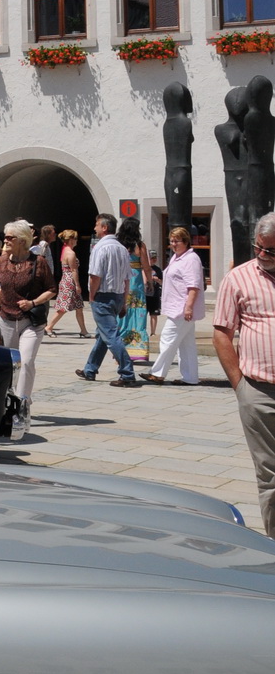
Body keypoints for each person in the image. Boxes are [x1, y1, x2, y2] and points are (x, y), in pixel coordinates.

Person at [214, 212, 275, 536]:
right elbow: (222, 333)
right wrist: (240, 385)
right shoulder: (238, 278)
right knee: (271, 476)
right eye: (259, 248)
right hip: (258, 390)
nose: (263, 256)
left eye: (271, 251)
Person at [0, 221, 56, 419]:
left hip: (30, 321)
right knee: (9, 365)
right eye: (6, 237)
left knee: (26, 361)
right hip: (6, 319)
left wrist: (33, 302)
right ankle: (7, 400)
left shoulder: (38, 262)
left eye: (9, 237)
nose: (5, 240)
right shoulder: (2, 261)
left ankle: (22, 403)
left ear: (22, 240)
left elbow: (51, 289)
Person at [76, 213, 139, 386]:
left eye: (96, 225)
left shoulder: (100, 248)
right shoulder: (121, 248)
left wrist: (91, 296)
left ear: (104, 227)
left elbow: (95, 275)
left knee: (110, 336)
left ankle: (127, 373)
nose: (94, 228)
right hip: (118, 296)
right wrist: (124, 301)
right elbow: (127, 279)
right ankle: (90, 369)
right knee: (103, 335)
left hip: (103, 296)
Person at [143, 226, 205, 385]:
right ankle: (191, 377)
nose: (173, 244)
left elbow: (193, 285)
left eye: (177, 241)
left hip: (182, 308)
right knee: (186, 344)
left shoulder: (191, 259)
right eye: (171, 241)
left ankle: (157, 373)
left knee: (167, 338)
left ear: (185, 241)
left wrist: (189, 307)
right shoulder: (177, 258)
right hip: (176, 306)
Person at [44, 229, 88, 338]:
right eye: (76, 238)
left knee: (79, 307)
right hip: (70, 281)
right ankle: (49, 327)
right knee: (63, 307)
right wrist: (77, 284)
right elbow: (74, 270)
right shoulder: (71, 253)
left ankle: (84, 331)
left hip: (65, 280)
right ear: (71, 240)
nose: (77, 241)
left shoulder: (65, 250)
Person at [117, 217, 150, 360]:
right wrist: (150, 281)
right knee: (138, 313)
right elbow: (146, 266)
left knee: (123, 314)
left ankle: (121, 350)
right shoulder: (139, 245)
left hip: (121, 279)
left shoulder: (118, 244)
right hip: (135, 280)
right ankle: (137, 351)